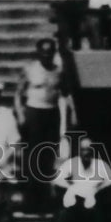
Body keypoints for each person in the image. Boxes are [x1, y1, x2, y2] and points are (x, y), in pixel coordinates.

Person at [15, 37, 76, 208]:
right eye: (43, 52)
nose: (46, 55)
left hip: (52, 113)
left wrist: (73, 113)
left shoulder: (59, 71)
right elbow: (18, 94)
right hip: (34, 112)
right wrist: (21, 115)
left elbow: (66, 93)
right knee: (33, 155)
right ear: (38, 53)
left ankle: (45, 197)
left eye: (50, 52)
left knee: (48, 153)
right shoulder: (29, 69)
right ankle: (31, 198)